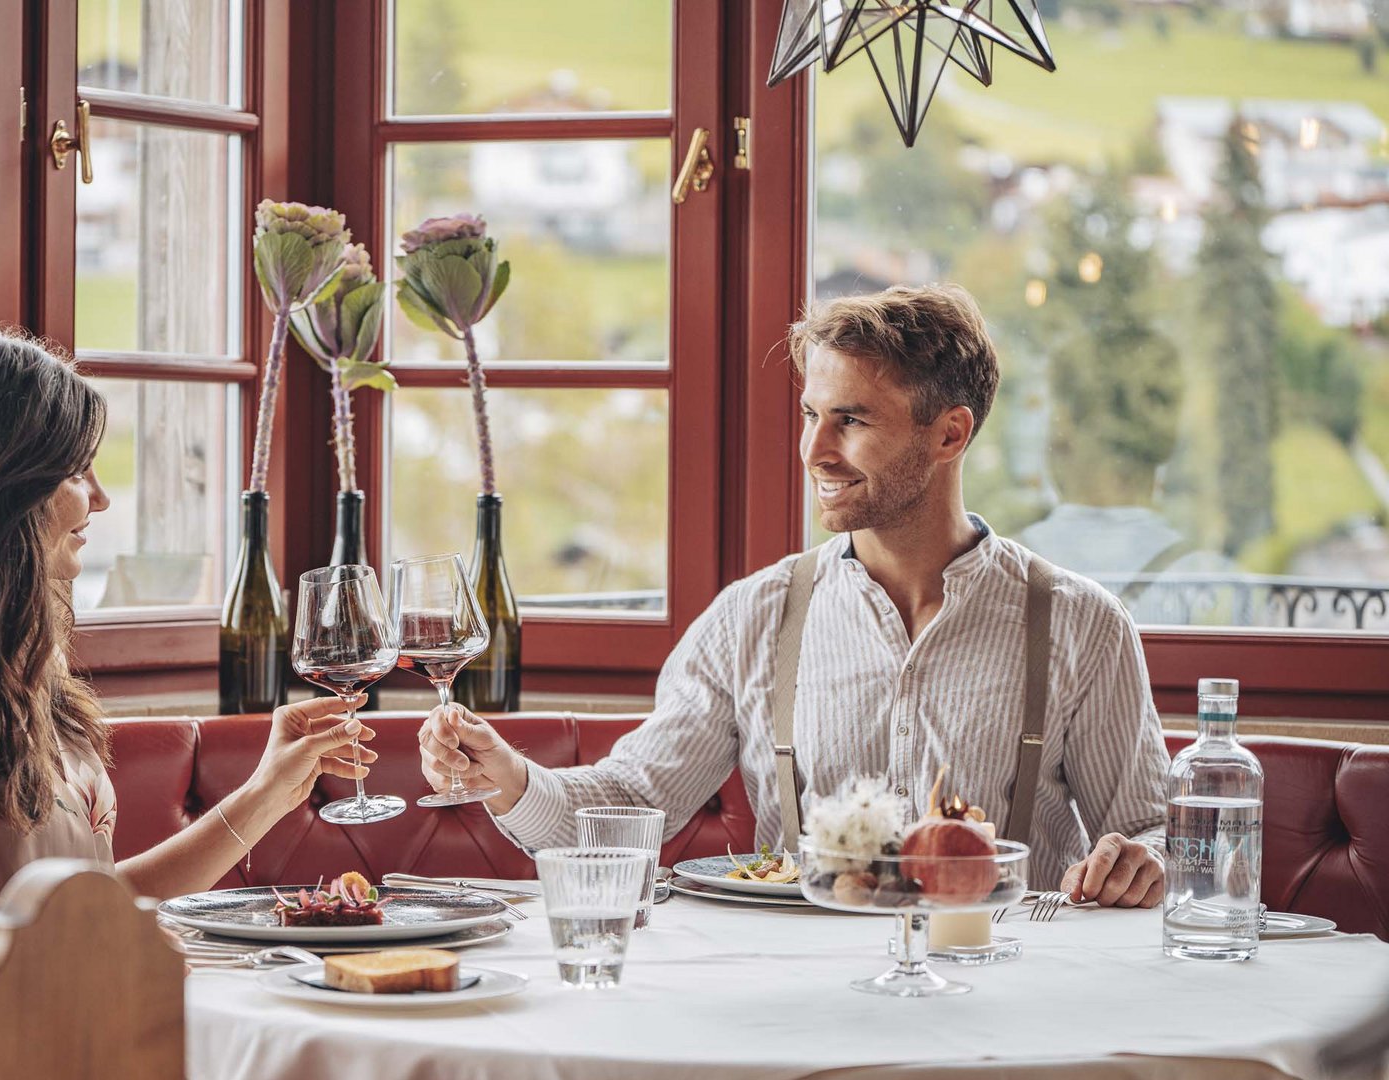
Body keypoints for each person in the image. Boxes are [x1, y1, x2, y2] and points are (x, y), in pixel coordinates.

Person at [418, 285, 1171, 906]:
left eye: (851, 420)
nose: (814, 449)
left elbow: (1149, 830)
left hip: (1006, 992)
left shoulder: (1082, 624)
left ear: (949, 435)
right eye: (813, 414)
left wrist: (1142, 862)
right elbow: (628, 802)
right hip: (798, 991)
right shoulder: (755, 616)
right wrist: (511, 777)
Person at [0, 329, 373, 905]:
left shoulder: (24, 671)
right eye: (77, 472)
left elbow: (92, 907)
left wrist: (268, 792)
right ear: (0, 487)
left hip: (96, 991)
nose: (100, 498)